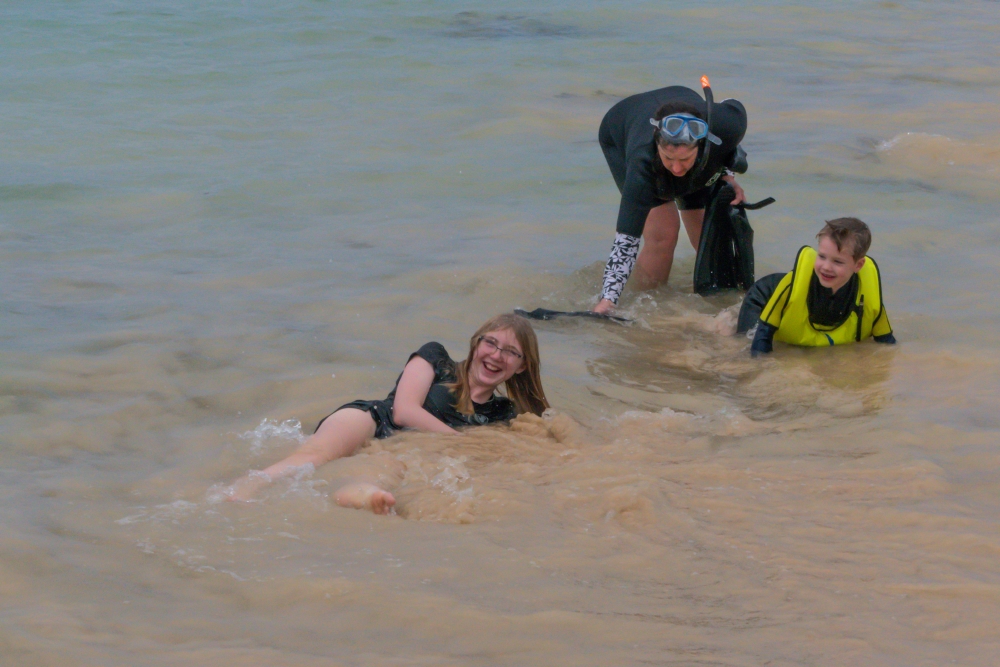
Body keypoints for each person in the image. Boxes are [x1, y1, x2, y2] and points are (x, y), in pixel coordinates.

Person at [226, 313, 549, 513]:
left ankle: (362, 496)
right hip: (372, 420)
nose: (497, 355)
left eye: (511, 352)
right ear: (476, 344)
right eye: (491, 343)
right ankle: (246, 486)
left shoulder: (504, 413)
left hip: (407, 449)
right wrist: (459, 440)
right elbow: (404, 411)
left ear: (522, 366)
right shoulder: (436, 358)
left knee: (390, 471)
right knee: (314, 455)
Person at [593, 81, 749, 315]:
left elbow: (732, 107)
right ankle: (647, 305)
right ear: (657, 144)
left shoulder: (727, 123)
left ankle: (722, 305)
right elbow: (626, 241)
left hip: (684, 101)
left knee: (707, 232)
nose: (676, 168)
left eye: (684, 159)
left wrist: (727, 174)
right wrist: (608, 299)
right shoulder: (642, 163)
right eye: (668, 158)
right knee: (663, 235)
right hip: (619, 128)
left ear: (701, 144)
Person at [736, 217, 896, 355]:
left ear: (858, 265)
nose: (826, 267)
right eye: (822, 256)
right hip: (763, 298)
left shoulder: (868, 296)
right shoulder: (790, 287)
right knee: (743, 342)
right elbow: (762, 337)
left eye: (837, 261)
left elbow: (887, 343)